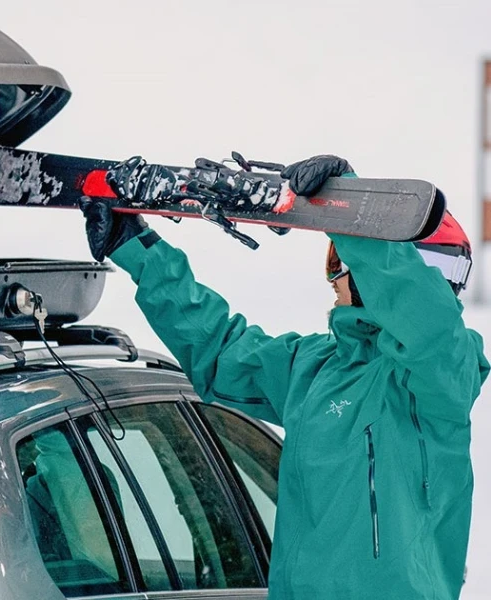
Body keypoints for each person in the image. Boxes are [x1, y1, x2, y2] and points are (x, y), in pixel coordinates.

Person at [80, 154, 489, 599]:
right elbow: (220, 351)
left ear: (400, 271)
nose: (333, 276)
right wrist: (139, 248)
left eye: (341, 258)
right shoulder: (316, 367)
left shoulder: (440, 376)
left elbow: (424, 321)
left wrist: (349, 207)